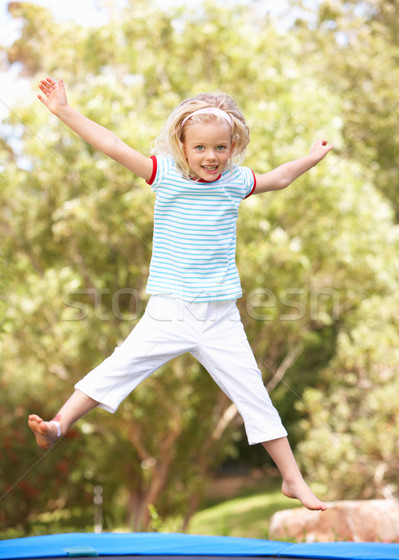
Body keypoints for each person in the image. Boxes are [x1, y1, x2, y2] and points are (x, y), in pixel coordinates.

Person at [29, 77, 333, 511]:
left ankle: (292, 479)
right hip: (170, 311)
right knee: (120, 367)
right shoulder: (164, 174)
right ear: (182, 146)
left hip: (220, 318)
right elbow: (114, 145)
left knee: (254, 395)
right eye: (201, 148)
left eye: (221, 148)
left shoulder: (235, 181)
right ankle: (58, 424)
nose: (211, 157)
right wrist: (62, 110)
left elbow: (279, 178)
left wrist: (310, 158)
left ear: (234, 147)